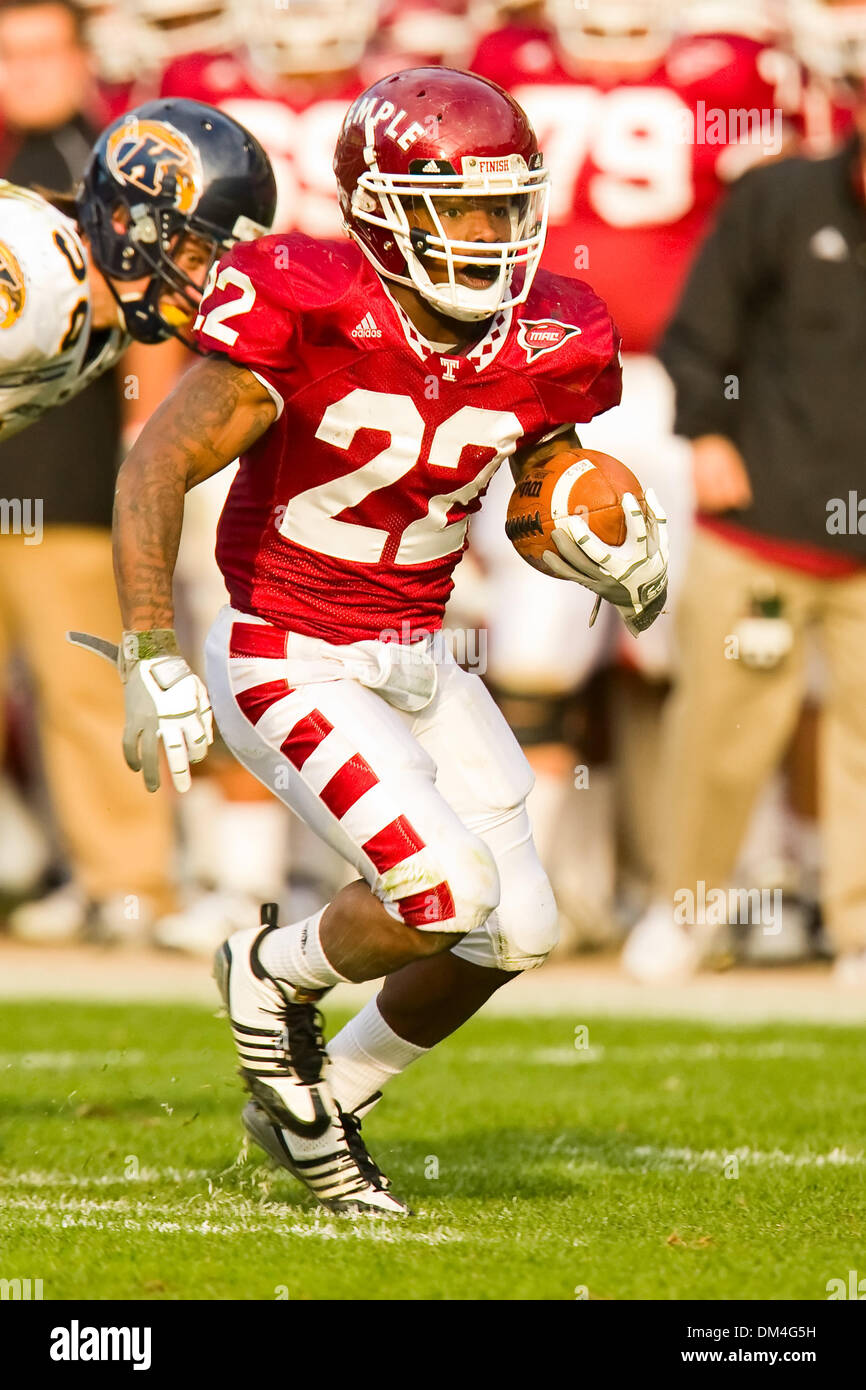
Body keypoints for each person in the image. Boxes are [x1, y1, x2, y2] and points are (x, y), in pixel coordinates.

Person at [106, 66, 668, 1214]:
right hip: (286, 648)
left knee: (517, 930)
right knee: (441, 891)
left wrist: (587, 531)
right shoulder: (305, 302)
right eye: (457, 209)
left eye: (503, 209)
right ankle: (268, 971)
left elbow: (535, 474)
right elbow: (155, 462)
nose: (486, 237)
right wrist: (149, 645)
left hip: (418, 652)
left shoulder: (552, 331)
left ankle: (323, 1102)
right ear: (380, 208)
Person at [0, 84, 276, 940]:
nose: (206, 279)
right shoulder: (32, 272)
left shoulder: (96, 304)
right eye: (197, 252)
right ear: (136, 222)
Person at [626, 11, 866, 985]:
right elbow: (694, 337)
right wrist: (709, 433)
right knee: (716, 734)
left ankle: (857, 929)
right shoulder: (776, 197)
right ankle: (686, 910)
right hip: (758, 518)